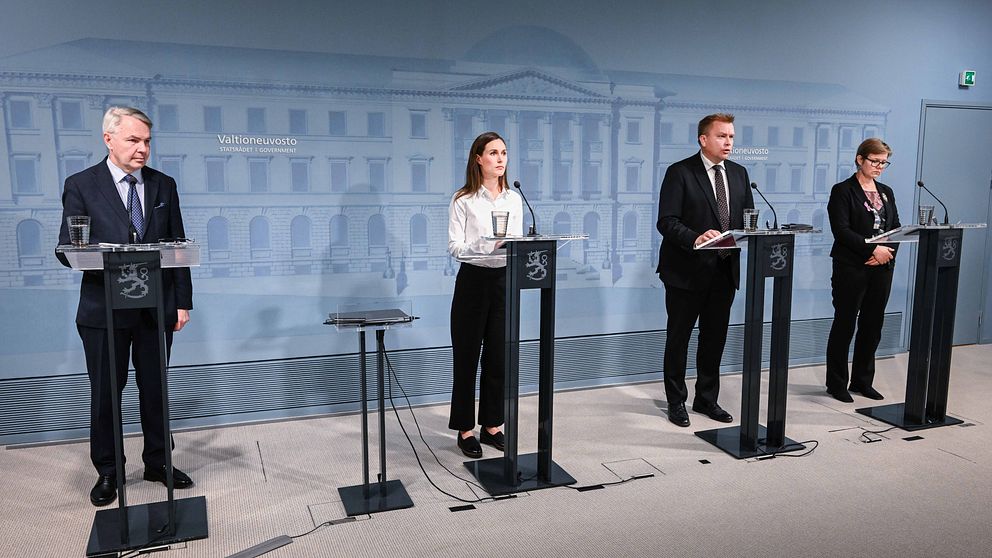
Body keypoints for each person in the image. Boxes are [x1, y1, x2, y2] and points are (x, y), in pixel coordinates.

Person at [55, 106, 194, 506]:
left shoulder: (163, 185)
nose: (143, 149)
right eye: (134, 140)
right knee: (106, 394)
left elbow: (178, 247)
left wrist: (181, 301)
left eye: (147, 141)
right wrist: (88, 252)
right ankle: (109, 471)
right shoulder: (81, 184)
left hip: (156, 308)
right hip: (103, 311)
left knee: (156, 391)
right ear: (108, 139)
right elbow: (66, 248)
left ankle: (158, 462)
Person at [656, 113, 754, 427]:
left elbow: (745, 218)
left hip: (724, 271)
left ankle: (706, 399)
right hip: (686, 271)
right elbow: (667, 221)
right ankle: (676, 402)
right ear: (704, 139)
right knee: (679, 339)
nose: (729, 142)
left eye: (732, 137)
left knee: (714, 339)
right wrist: (696, 238)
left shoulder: (739, 173)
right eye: (722, 136)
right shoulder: (680, 172)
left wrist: (748, 231)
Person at [447, 131, 523, 458]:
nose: (500, 158)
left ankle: (492, 425)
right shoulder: (463, 199)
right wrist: (485, 245)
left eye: (504, 152)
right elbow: (454, 247)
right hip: (473, 282)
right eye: (493, 153)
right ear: (478, 158)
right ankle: (465, 430)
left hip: (503, 280)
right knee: (467, 358)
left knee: (498, 358)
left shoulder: (514, 199)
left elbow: (519, 240)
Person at [825, 138, 900, 402]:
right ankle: (836, 384)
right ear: (860, 159)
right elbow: (842, 231)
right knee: (845, 324)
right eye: (875, 161)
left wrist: (886, 253)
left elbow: (896, 227)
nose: (880, 166)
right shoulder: (843, 190)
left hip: (882, 267)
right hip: (851, 267)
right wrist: (872, 251)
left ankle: (862, 381)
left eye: (884, 162)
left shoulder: (886, 191)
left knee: (872, 324)